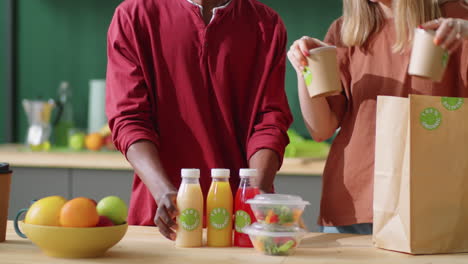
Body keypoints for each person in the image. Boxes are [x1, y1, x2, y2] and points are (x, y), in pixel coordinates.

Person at [106, 0, 293, 240]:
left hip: (241, 225)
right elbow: (129, 118)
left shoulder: (267, 24)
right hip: (163, 222)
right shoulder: (134, 16)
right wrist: (163, 190)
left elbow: (270, 121)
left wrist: (255, 193)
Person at [288, 0, 468, 234]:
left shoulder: (455, 21)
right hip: (354, 202)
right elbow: (321, 129)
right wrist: (304, 68)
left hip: (435, 202)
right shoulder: (347, 31)